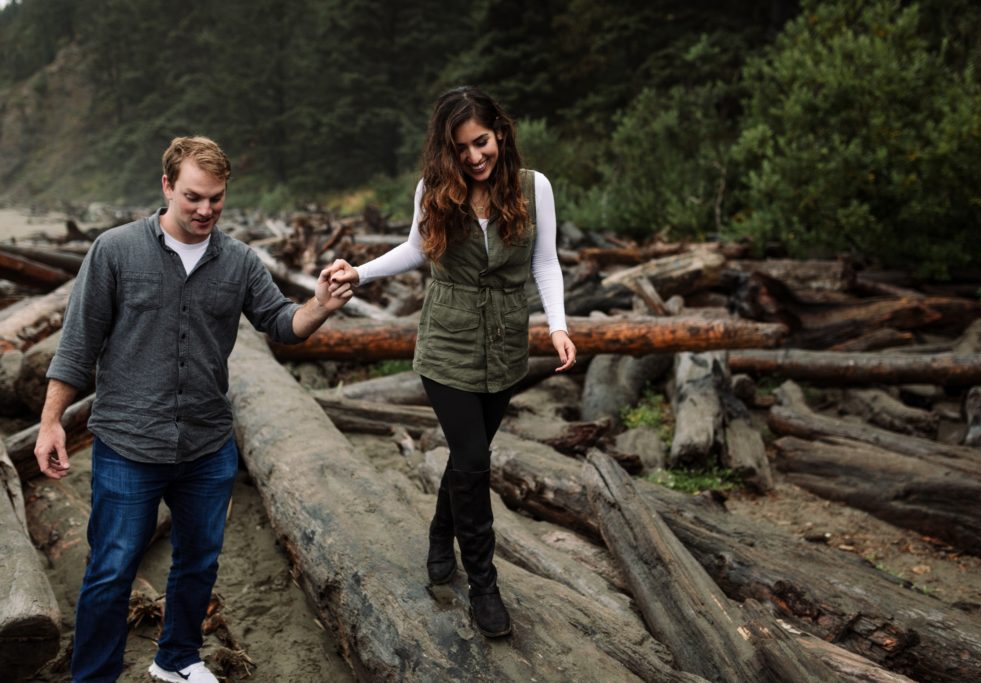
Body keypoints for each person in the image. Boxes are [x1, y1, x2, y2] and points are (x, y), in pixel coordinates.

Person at [33, 136, 354, 683]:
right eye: (193, 197)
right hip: (128, 443)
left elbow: (282, 323)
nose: (205, 210)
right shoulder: (114, 250)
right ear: (166, 187)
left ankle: (177, 658)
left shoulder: (239, 262)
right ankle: (93, 676)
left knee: (199, 563)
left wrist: (320, 305)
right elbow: (78, 345)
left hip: (207, 445)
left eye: (216, 199)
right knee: (111, 571)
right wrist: (49, 423)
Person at [327, 86, 577, 638]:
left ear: (501, 132)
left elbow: (547, 262)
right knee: (472, 458)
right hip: (446, 343)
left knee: (470, 456)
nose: (474, 157)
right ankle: (483, 585)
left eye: (481, 142)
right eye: (461, 147)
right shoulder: (434, 189)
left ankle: (441, 534)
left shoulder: (535, 188)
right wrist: (359, 273)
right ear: (448, 148)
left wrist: (557, 326)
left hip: (506, 343)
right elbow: (416, 249)